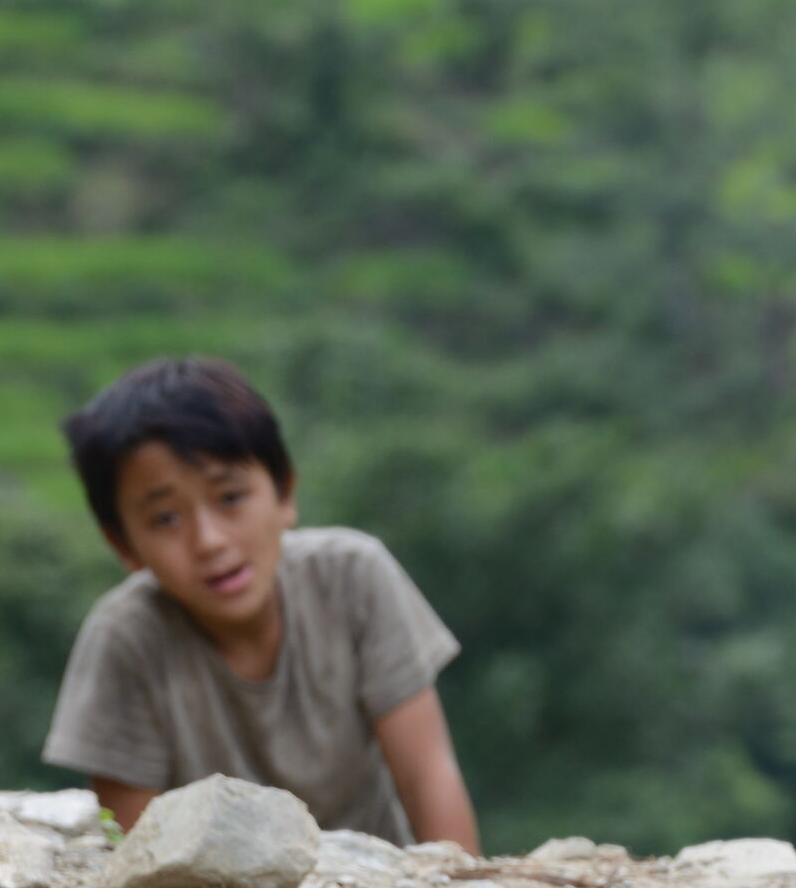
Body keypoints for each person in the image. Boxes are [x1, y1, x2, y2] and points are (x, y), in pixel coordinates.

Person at [41, 357, 480, 853]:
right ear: (123, 544)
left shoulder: (354, 576)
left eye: (230, 497)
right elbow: (136, 850)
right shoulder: (123, 640)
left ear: (284, 492)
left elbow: (427, 778)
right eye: (165, 518)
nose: (208, 541)